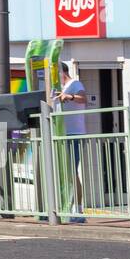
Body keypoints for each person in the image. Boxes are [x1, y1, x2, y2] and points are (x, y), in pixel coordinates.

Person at [55, 62, 88, 222]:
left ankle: (79, 211)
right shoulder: (58, 87)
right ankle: (67, 208)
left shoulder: (74, 84)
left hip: (73, 133)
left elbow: (83, 98)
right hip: (61, 134)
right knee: (64, 173)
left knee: (72, 172)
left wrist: (70, 96)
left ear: (61, 71)